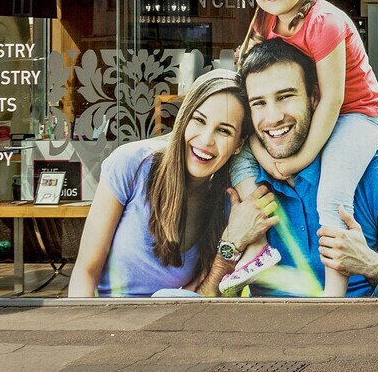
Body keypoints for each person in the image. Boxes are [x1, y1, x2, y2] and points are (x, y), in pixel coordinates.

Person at [225, 0, 378, 297]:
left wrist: (297, 161)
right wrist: (261, 150)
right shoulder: (266, 18)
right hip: (319, 109)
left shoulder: (324, 22)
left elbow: (330, 99)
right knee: (239, 158)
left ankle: (335, 291)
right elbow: (250, 73)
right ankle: (256, 250)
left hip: (357, 113)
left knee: (332, 196)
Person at [69, 72, 264, 298]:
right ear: (183, 119)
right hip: (108, 320)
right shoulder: (131, 164)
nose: (206, 140)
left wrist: (232, 243)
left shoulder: (226, 200)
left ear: (239, 144)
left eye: (224, 130)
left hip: (167, 322)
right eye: (199, 120)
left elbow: (202, 295)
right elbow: (85, 271)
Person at [233, 37, 378, 297]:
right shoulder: (242, 186)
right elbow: (205, 297)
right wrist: (231, 243)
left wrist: (374, 267)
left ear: (315, 98)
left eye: (285, 96)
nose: (273, 117)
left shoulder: (373, 176)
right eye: (259, 103)